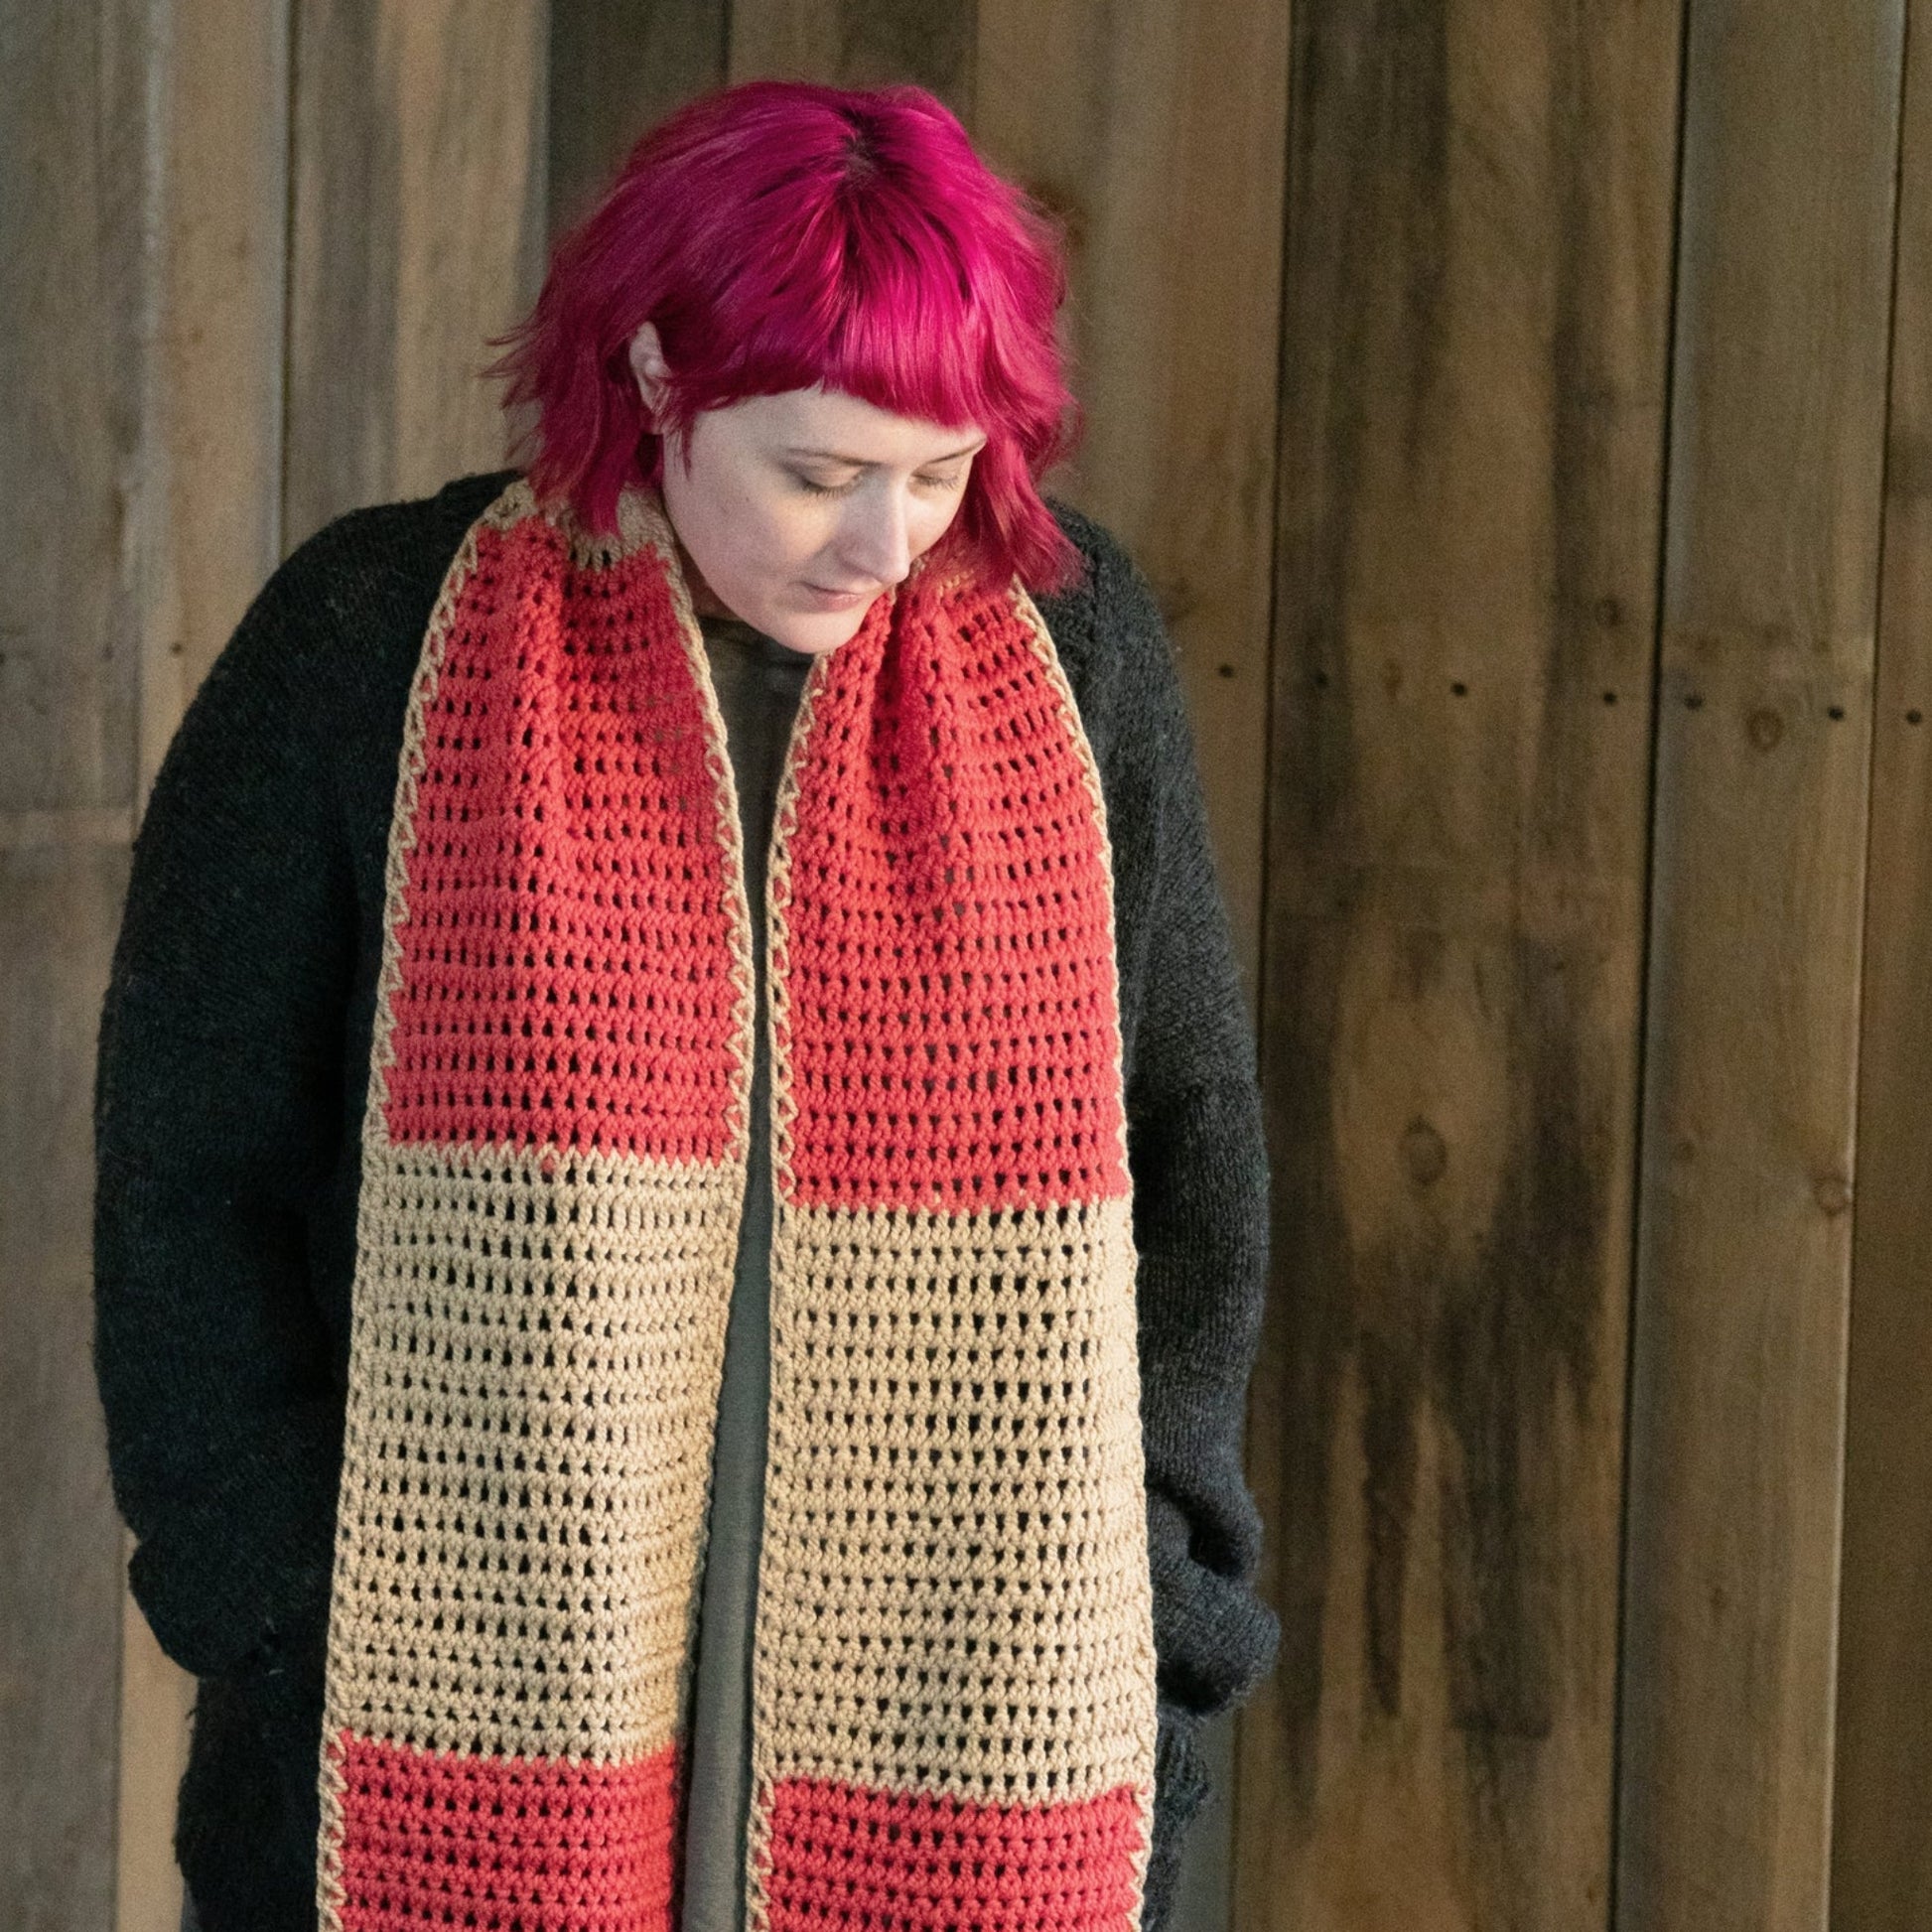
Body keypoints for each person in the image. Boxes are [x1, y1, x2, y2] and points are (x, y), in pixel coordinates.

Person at [92, 77, 1277, 1932]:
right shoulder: (371, 642)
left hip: (973, 1665)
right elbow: (187, 1153)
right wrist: (275, 1589)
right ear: (653, 376)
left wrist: (1164, 1581)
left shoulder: (1072, 649)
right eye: (818, 471)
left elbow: (1184, 1130)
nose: (885, 541)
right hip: (464, 1664)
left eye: (942, 470)